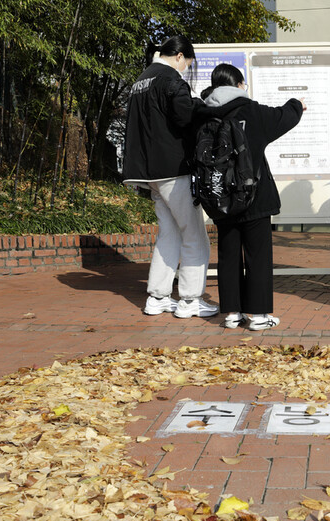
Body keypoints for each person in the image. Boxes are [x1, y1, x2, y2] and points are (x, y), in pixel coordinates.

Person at [197, 64, 305, 331]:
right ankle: (257, 315)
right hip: (253, 194)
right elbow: (285, 116)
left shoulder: (203, 114)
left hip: (220, 195)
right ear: (238, 84)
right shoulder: (252, 111)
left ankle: (232, 313)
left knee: (228, 253)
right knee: (257, 255)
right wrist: (296, 103)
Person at [122, 36, 218, 320]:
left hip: (148, 173)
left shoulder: (141, 80)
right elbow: (185, 118)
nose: (186, 69)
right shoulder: (171, 80)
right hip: (174, 170)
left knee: (169, 234)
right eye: (187, 64)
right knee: (194, 234)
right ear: (178, 56)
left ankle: (157, 297)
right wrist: (202, 106)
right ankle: (190, 299)